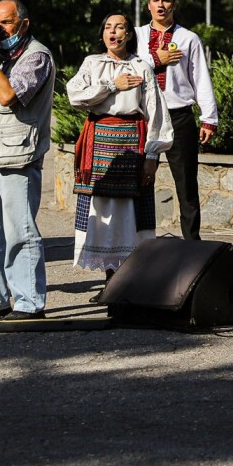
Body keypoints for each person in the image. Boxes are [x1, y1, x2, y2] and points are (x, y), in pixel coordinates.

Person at [66, 14, 172, 279]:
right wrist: (113, 85)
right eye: (108, 27)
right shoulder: (92, 63)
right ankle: (110, 282)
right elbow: (75, 95)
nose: (113, 32)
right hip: (99, 138)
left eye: (120, 27)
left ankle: (128, 282)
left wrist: (152, 155)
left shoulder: (141, 66)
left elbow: (156, 112)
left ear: (129, 34)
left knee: (129, 213)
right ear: (103, 34)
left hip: (131, 141)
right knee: (101, 210)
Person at [0, 0, 55, 320]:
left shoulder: (36, 55)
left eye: (6, 23)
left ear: (24, 23)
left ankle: (28, 302)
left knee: (20, 230)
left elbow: (9, 96)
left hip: (17, 155)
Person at [135, 0, 218, 240]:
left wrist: (209, 118)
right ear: (148, 5)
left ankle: (192, 246)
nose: (161, 5)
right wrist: (156, 59)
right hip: (143, 116)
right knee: (138, 181)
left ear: (175, 5)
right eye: (156, 0)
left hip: (179, 115)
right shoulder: (135, 36)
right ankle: (138, 244)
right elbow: (129, 69)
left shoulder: (188, 38)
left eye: (166, 0)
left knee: (186, 185)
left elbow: (200, 78)